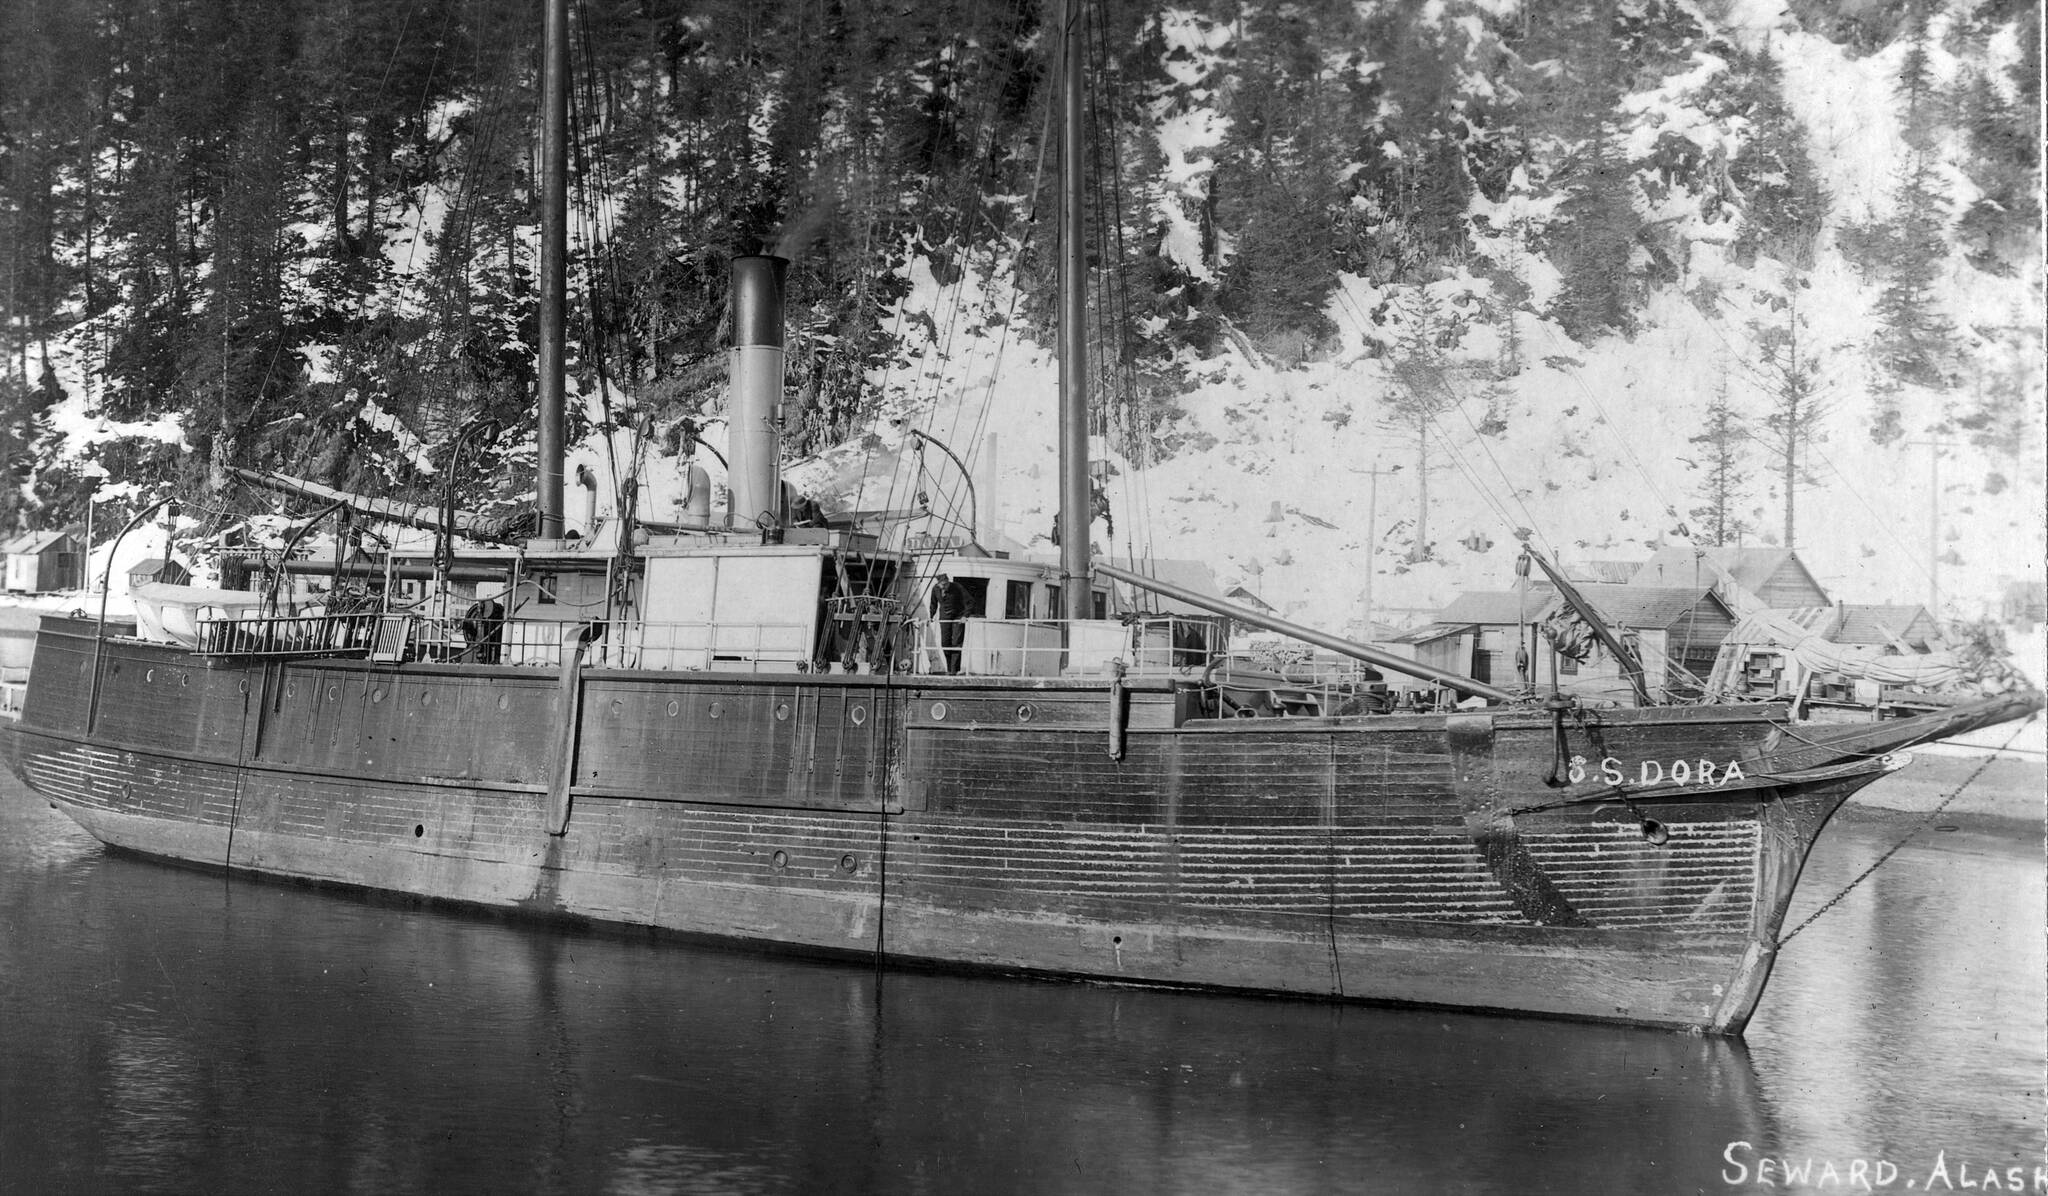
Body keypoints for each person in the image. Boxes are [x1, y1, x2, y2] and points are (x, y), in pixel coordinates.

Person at [935, 573, 967, 674]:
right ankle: (949, 667)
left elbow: (970, 601)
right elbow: (933, 603)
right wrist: (930, 616)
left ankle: (953, 670)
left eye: (946, 584)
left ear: (948, 581)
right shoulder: (935, 589)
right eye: (942, 585)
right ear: (938, 584)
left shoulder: (957, 587)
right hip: (945, 616)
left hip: (958, 616)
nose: (945, 587)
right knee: (945, 643)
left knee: (956, 643)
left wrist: (965, 616)